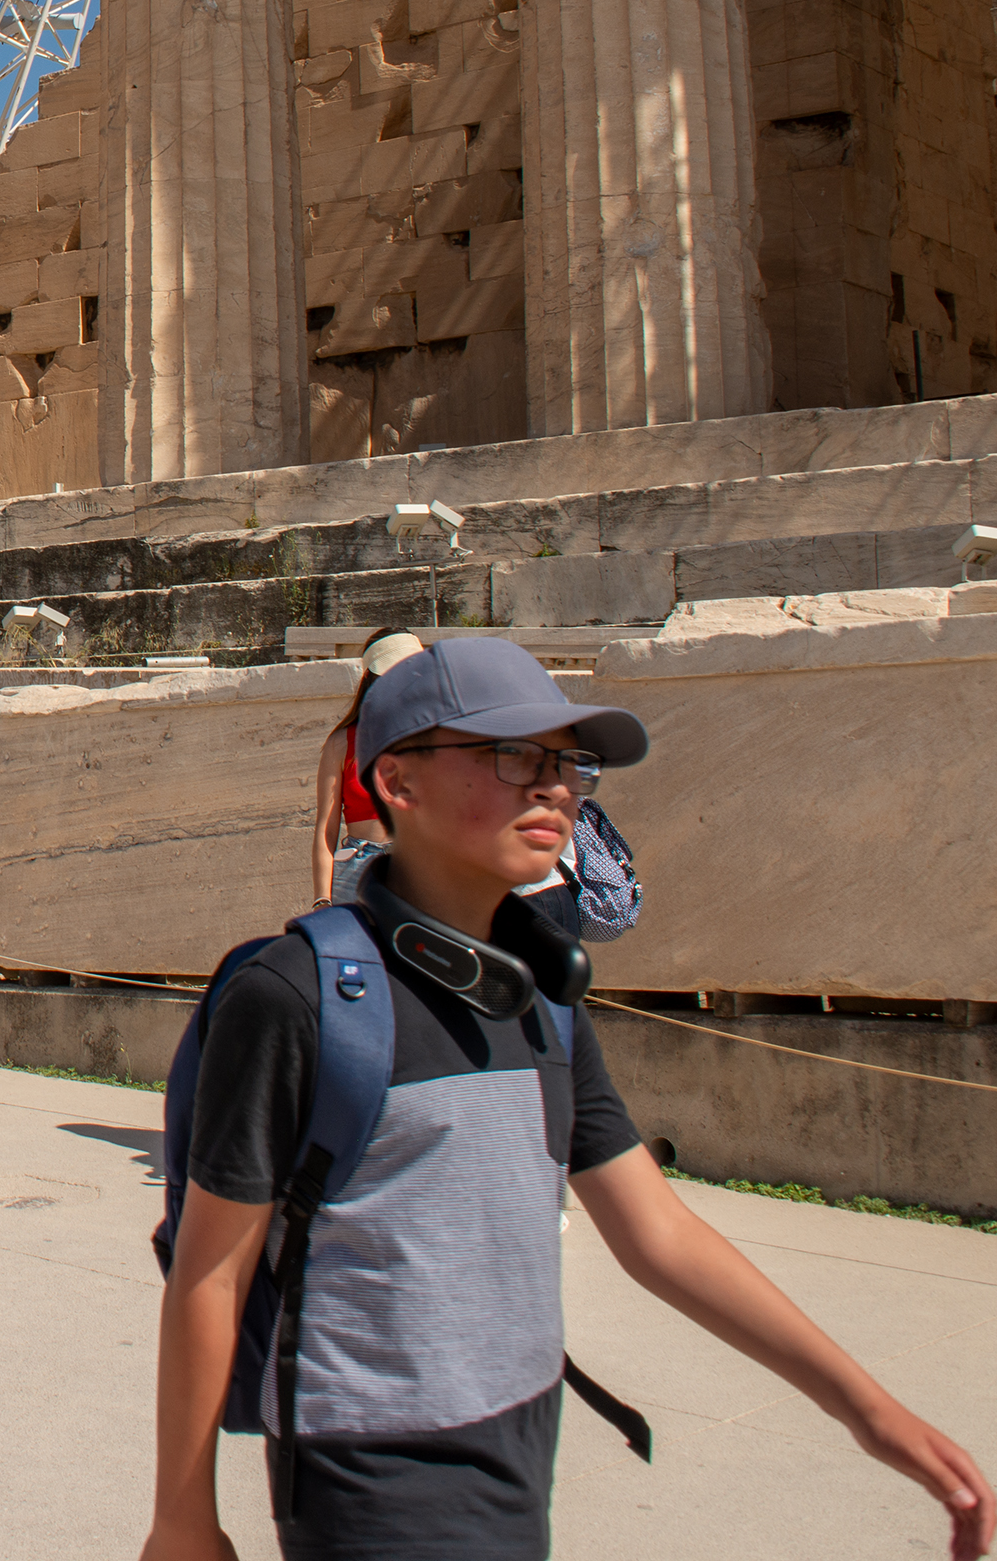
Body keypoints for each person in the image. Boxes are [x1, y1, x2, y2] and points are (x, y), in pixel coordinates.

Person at [145, 636, 995, 1561]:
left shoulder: (542, 998)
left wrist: (866, 1408)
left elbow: (657, 1233)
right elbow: (211, 1272)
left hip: (519, 1436)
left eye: (569, 762)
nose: (553, 786)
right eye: (513, 755)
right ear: (398, 780)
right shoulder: (297, 997)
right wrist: (184, 1521)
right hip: (372, 1464)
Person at [309, 629, 423, 906]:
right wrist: (322, 900)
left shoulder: (430, 736)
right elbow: (326, 829)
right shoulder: (342, 743)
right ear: (372, 678)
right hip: (356, 871)